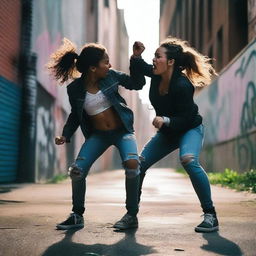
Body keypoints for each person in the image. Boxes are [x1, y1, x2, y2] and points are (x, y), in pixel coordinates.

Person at [47, 38, 146, 230]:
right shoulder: (74, 89)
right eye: (105, 62)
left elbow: (137, 83)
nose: (109, 65)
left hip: (122, 132)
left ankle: (131, 215)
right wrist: (65, 135)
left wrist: (135, 58)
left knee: (133, 164)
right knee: (76, 171)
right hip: (98, 136)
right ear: (93, 68)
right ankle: (77, 215)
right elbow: (76, 115)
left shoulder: (112, 76)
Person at [132, 37, 219, 233]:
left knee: (188, 159)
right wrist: (136, 56)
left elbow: (188, 118)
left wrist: (166, 120)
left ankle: (210, 215)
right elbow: (140, 67)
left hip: (190, 128)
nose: (154, 60)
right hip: (168, 133)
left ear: (170, 62)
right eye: (154, 56)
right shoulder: (156, 74)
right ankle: (131, 214)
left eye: (158, 56)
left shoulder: (182, 85)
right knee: (138, 165)